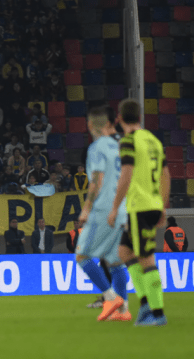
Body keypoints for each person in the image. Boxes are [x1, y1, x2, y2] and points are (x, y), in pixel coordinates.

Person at [108, 99, 171, 327]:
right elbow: (166, 175)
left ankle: (157, 313)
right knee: (125, 251)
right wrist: (162, 206)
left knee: (145, 258)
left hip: (140, 207)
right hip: (152, 204)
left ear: (119, 119)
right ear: (140, 117)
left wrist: (115, 206)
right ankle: (145, 304)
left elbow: (126, 174)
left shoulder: (129, 141)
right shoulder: (153, 140)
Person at [76, 106, 131, 322]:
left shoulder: (97, 147)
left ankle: (110, 298)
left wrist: (87, 208)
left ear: (90, 125)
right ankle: (123, 310)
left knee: (82, 256)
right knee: (115, 262)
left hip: (104, 208)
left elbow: (97, 179)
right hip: (122, 208)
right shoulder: (121, 145)